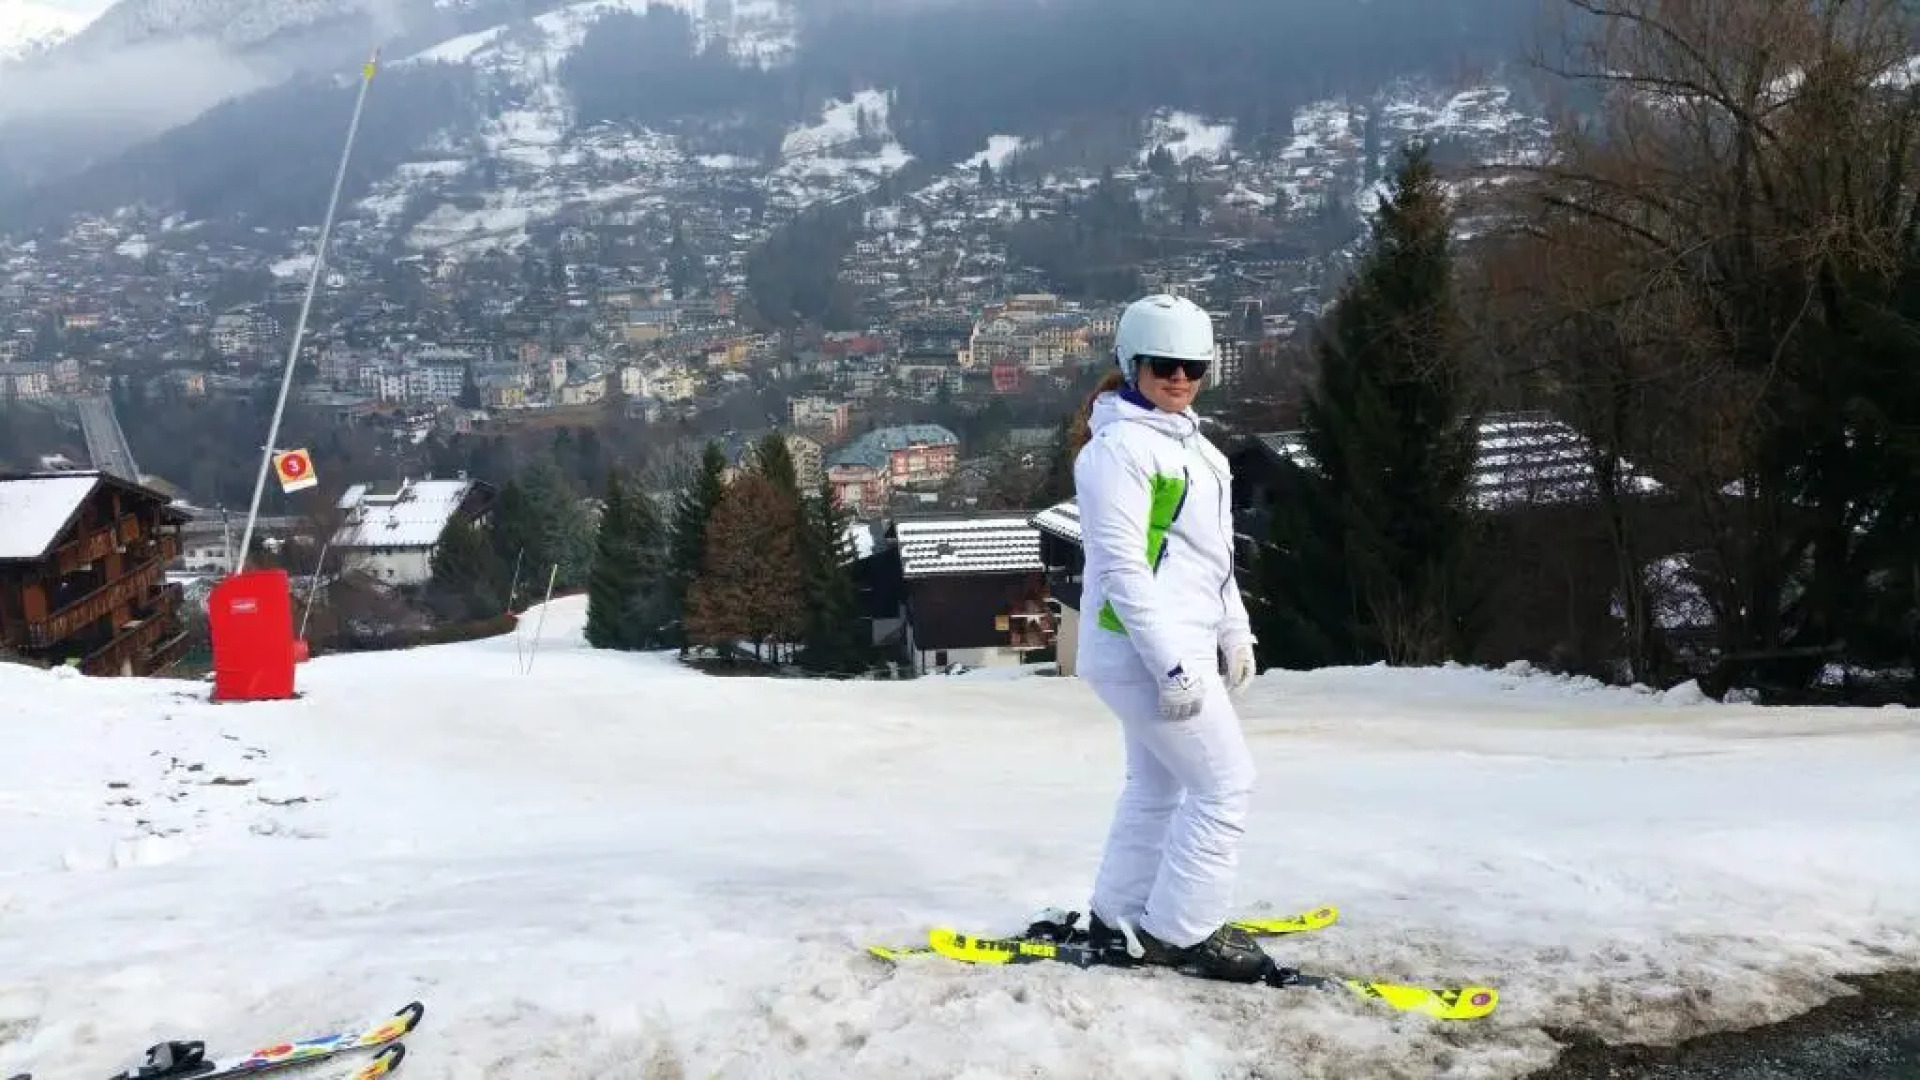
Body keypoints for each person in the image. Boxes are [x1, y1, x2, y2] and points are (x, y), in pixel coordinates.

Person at [1066, 292, 1270, 983]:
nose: (1179, 378)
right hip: (1147, 653)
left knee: (1156, 788)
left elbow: (1211, 559)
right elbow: (1124, 568)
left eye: (1194, 366)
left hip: (1171, 648)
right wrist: (1173, 667)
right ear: (1131, 364)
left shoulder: (1194, 447)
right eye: (1162, 365)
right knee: (1224, 787)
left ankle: (1119, 912)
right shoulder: (1119, 452)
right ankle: (1181, 933)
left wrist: (1235, 630)